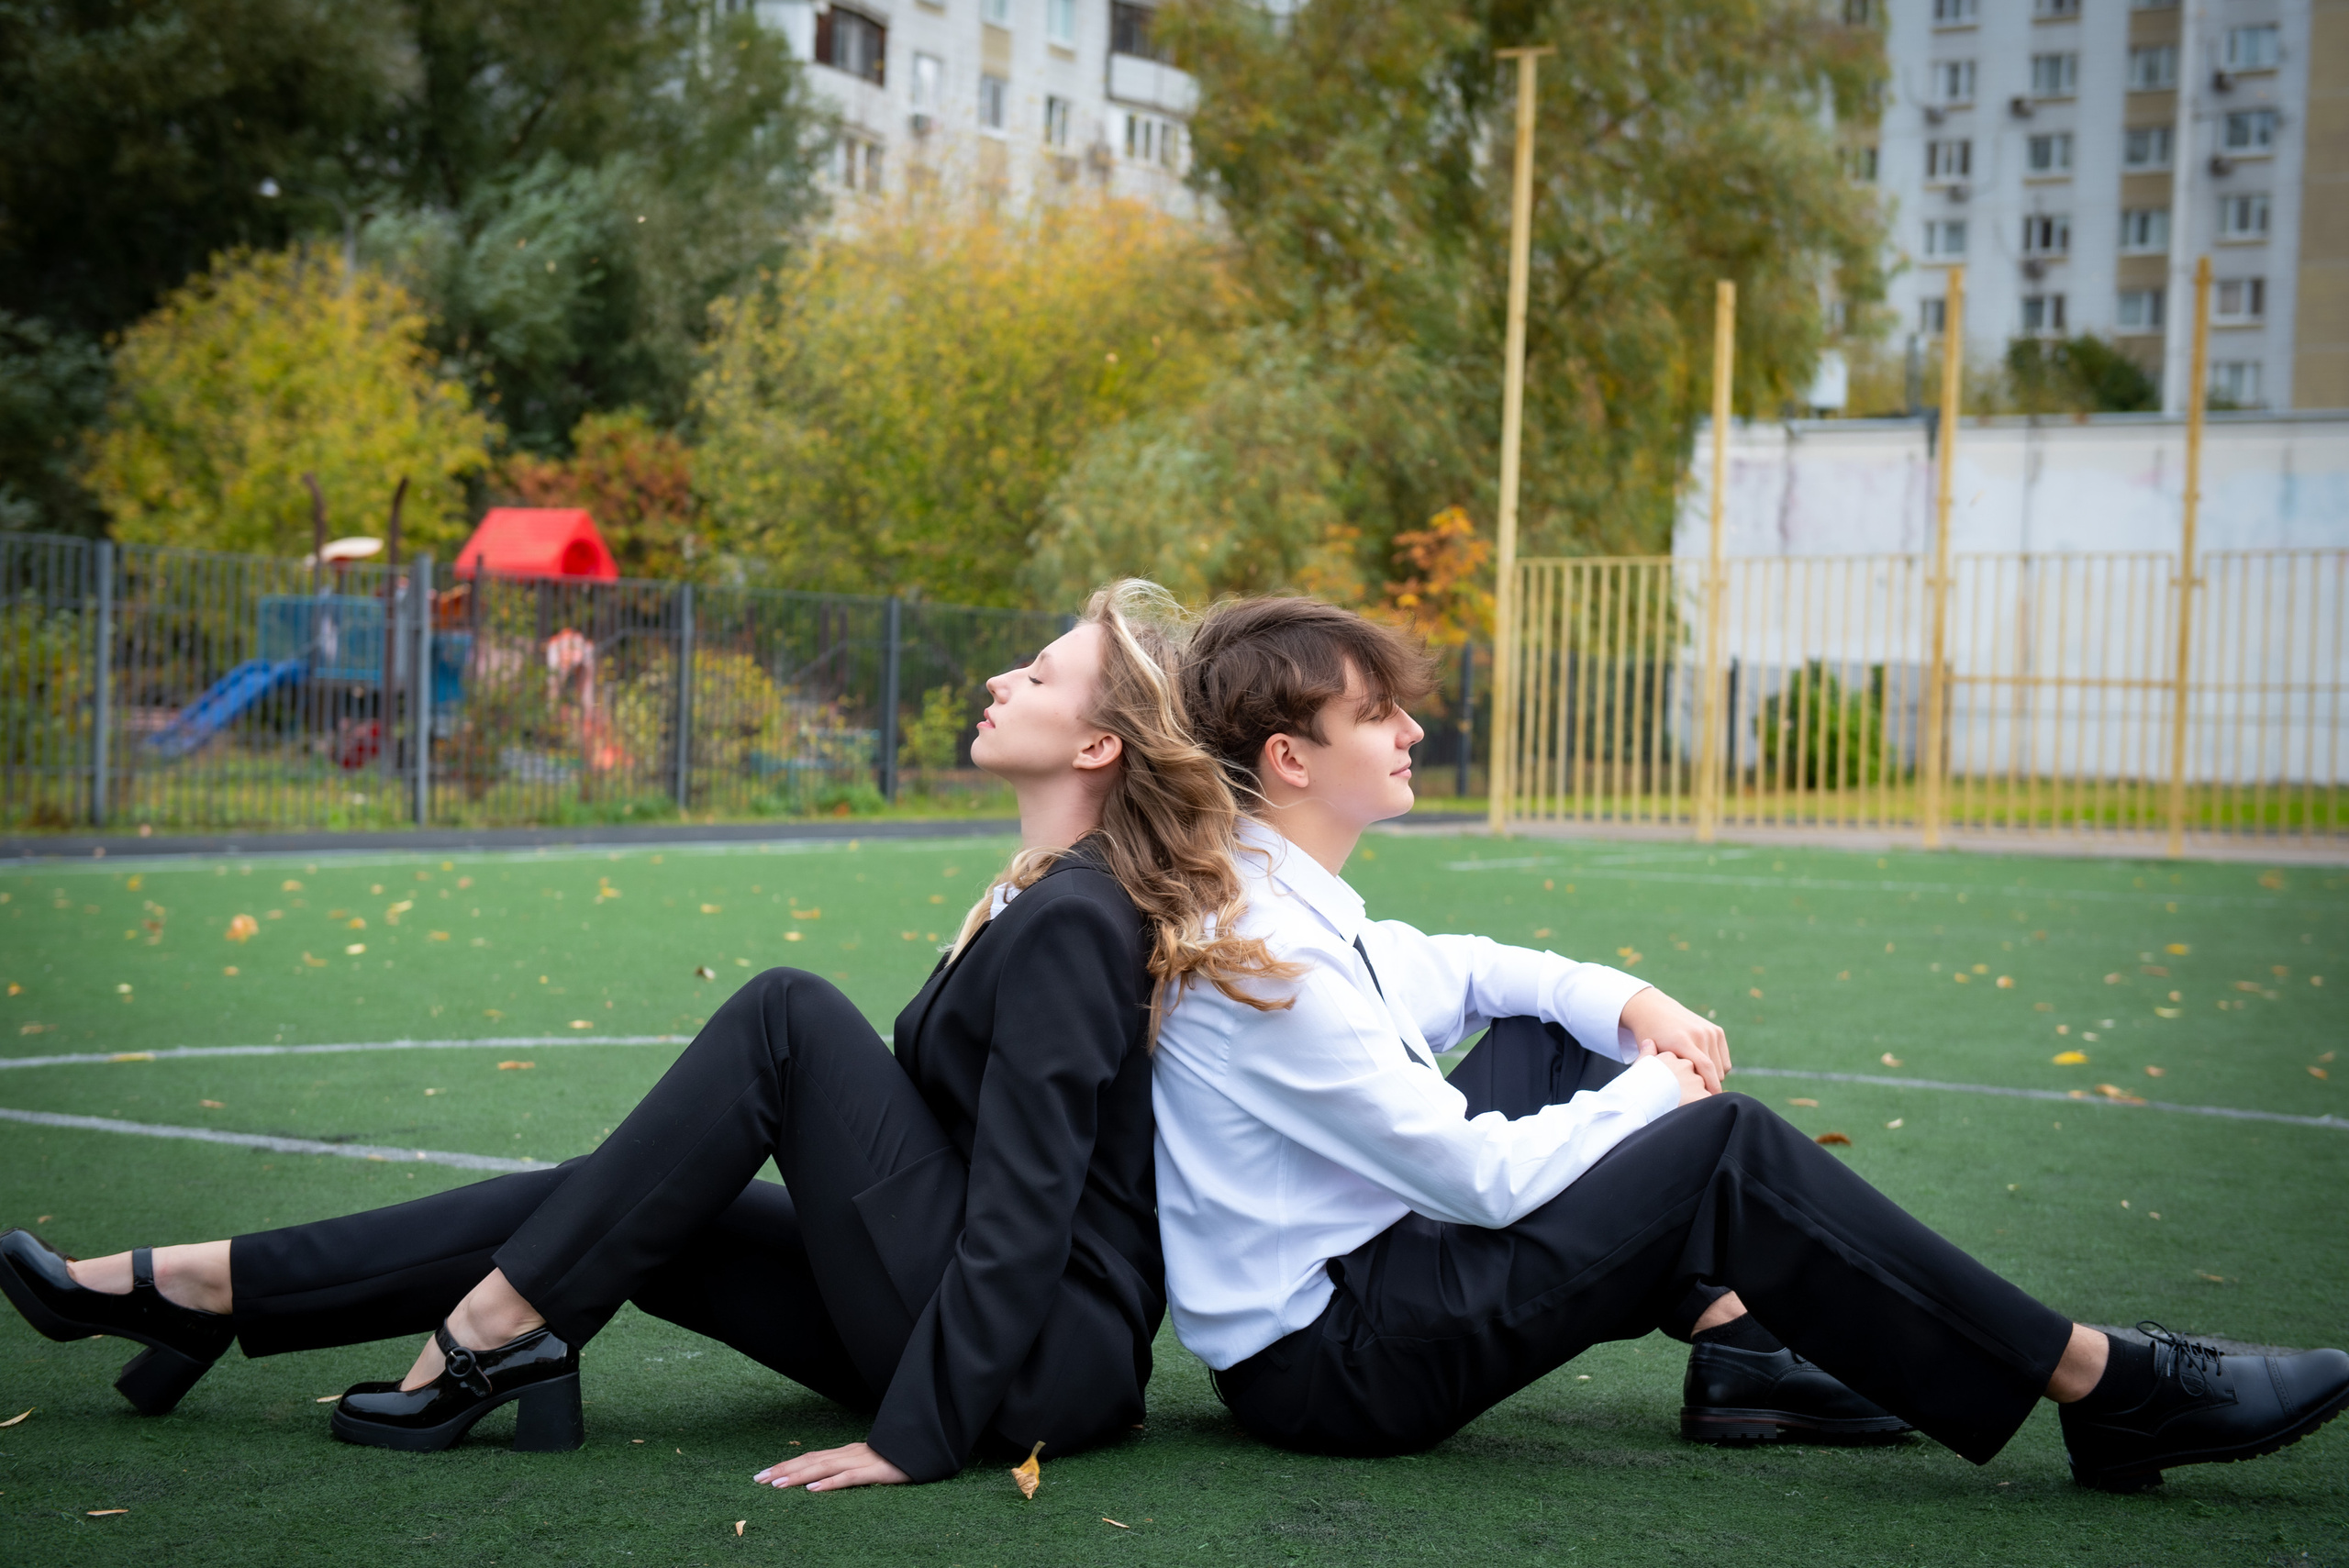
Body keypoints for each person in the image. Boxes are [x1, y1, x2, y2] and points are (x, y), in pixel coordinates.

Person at [0, 581, 1285, 1492]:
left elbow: (1028, 1203)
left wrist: (925, 1433)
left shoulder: (1077, 917)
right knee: (621, 1205)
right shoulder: (1037, 888)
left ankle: (491, 1325)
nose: (1006, 679)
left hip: (1030, 1363)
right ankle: (202, 1290)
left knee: (786, 1010)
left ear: (1100, 740)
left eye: (1041, 672)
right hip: (954, 1306)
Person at [1155, 594, 2349, 1493]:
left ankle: (1737, 1343)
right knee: (1717, 1140)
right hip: (1342, 1360)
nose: (1416, 727)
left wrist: (1635, 1008)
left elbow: (1466, 970)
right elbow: (1474, 1174)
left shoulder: (1297, 901)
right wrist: (1661, 1091)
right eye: (1380, 713)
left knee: (1553, 1030)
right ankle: (2105, 1381)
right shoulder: (1276, 956)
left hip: (1376, 1271)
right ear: (1292, 758)